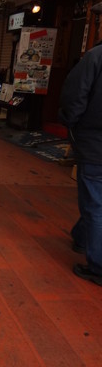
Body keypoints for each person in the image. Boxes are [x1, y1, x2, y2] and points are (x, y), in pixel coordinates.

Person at [59, 41, 102, 287]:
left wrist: (71, 123)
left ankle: (98, 265)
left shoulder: (96, 57)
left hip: (95, 144)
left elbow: (74, 97)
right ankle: (81, 237)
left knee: (94, 202)